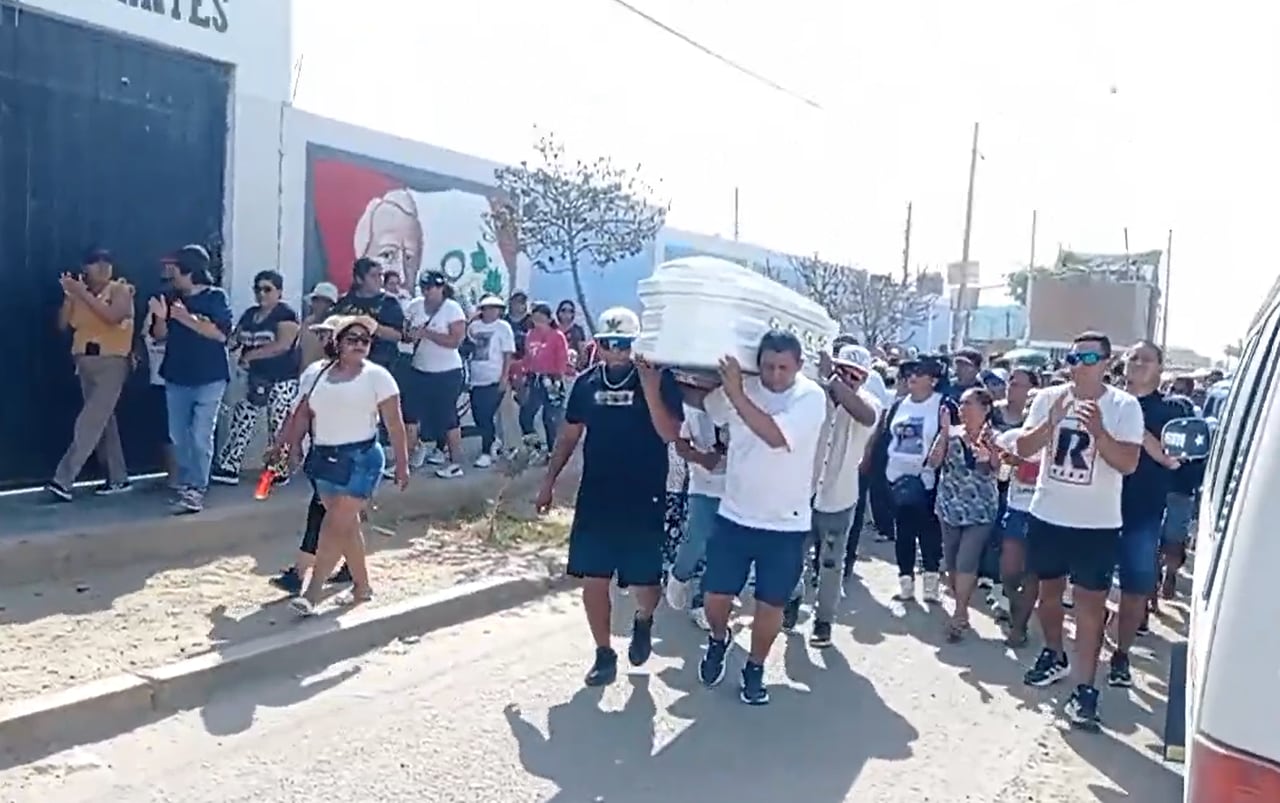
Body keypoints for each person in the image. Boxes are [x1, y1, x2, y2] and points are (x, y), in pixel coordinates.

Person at [534, 307, 682, 687]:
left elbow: (669, 433)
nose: (615, 351)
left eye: (623, 344)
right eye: (607, 343)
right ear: (597, 344)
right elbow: (568, 436)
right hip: (597, 495)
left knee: (645, 585)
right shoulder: (586, 384)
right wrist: (549, 482)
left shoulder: (660, 380)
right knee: (594, 579)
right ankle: (603, 653)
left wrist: (650, 387)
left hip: (643, 497)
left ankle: (643, 619)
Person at [1015, 331, 1143, 731]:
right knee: (1048, 597)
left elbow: (1128, 464)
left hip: (1096, 523)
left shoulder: (1124, 406)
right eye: (1074, 358)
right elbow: (1023, 449)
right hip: (1048, 514)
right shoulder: (1048, 398)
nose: (1079, 366)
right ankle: (1054, 653)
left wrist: (1100, 433)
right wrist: (1050, 423)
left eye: (1089, 358)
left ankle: (1085, 689)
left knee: (1090, 608)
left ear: (1106, 363)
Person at [692, 330, 827, 705]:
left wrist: (737, 394)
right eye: (768, 366)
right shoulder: (744, 385)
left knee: (770, 605)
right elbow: (707, 405)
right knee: (714, 599)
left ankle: (755, 667)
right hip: (735, 515)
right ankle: (718, 639)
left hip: (785, 525)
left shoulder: (810, 397)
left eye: (784, 367)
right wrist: (665, 374)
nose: (775, 375)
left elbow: (775, 436)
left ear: (799, 365)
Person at [276, 315, 410, 616]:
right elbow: (302, 414)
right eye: (353, 339)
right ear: (337, 343)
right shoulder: (317, 374)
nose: (360, 344)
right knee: (346, 527)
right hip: (324, 459)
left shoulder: (378, 377)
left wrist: (402, 464)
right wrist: (292, 446)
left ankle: (312, 593)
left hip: (362, 459)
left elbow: (394, 423)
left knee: (332, 524)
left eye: (365, 340)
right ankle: (362, 587)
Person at [792, 344, 881, 647]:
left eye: (855, 377)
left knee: (830, 563)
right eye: (843, 372)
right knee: (792, 556)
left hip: (839, 498)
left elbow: (866, 416)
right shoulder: (814, 395)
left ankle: (824, 621)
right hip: (802, 493)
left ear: (863, 380)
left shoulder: (868, 403)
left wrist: (833, 380)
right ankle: (792, 600)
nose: (847, 380)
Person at [1108, 341, 1183, 687]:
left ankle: (1121, 655)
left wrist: (1141, 435)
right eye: (1133, 357)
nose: (1138, 363)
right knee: (1088, 586)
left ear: (1160, 369)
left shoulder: (1171, 411)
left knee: (1136, 587)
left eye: (1146, 359)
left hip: (1143, 511)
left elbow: (1176, 460)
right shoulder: (1105, 401)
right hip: (1095, 507)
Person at [148, 245, 233, 514]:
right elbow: (159, 336)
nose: (169, 274)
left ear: (189, 271)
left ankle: (197, 488)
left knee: (200, 435)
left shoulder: (215, 297)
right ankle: (186, 485)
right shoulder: (169, 297)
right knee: (179, 436)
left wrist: (184, 318)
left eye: (174, 269)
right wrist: (160, 318)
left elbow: (221, 334)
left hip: (210, 377)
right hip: (176, 376)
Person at [47, 248, 136, 501]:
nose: (103, 266)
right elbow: (62, 325)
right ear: (85, 267)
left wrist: (82, 293)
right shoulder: (79, 294)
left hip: (111, 362)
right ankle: (118, 478)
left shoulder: (121, 290)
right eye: (95, 262)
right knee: (104, 423)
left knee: (90, 421)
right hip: (85, 362)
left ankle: (63, 479)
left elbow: (112, 317)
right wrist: (69, 296)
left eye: (107, 261)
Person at [212, 270, 301, 485]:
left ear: (279, 292)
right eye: (258, 289)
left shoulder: (285, 314)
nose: (262, 294)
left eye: (267, 289)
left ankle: (278, 469)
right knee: (242, 417)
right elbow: (234, 340)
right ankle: (229, 466)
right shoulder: (250, 315)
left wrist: (251, 355)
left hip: (282, 378)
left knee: (278, 423)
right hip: (255, 377)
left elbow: (282, 345)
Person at [928, 387, 1001, 641]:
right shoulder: (951, 434)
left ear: (985, 408)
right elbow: (934, 461)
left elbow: (996, 470)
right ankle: (960, 609)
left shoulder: (995, 436)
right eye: (961, 404)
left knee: (966, 560)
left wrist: (989, 450)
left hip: (980, 509)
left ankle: (959, 612)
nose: (962, 409)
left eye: (969, 403)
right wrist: (944, 431)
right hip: (949, 506)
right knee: (951, 560)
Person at [880, 356, 952, 603]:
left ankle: (931, 583)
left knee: (929, 533)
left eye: (919, 373)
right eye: (910, 372)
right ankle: (905, 583)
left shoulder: (942, 404)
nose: (912, 377)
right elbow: (887, 438)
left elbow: (949, 440)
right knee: (903, 532)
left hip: (928, 481)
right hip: (896, 478)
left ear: (933, 380)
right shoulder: (899, 405)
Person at [664, 401, 726, 631]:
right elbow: (680, 444)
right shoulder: (692, 405)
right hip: (704, 484)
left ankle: (703, 603)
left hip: (737, 487)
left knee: (723, 548)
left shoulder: (742, 403)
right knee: (697, 536)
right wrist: (700, 458)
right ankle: (680, 574)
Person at [993, 368, 1042, 646]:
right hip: (1016, 508)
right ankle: (1016, 613)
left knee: (1032, 574)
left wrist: (1022, 464)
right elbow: (999, 476)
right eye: (1031, 406)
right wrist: (1000, 460)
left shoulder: (1057, 440)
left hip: (1044, 513)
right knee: (1009, 573)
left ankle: (1019, 627)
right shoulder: (1011, 437)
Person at [403, 270, 468, 478]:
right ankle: (406, 459)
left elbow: (455, 341)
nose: (427, 292)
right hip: (419, 368)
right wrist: (410, 335)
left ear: (441, 288)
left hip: (447, 372)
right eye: (424, 287)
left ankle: (455, 462)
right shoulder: (414, 306)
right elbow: (406, 333)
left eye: (431, 288)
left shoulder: (452, 309)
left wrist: (427, 333)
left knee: (448, 417)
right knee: (411, 415)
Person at [466, 295, 516, 467]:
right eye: (487, 308)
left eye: (495, 308)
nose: (491, 311)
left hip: (494, 377)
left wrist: (504, 376)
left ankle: (486, 451)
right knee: (478, 415)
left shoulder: (503, 327)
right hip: (475, 377)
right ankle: (494, 440)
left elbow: (508, 354)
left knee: (486, 415)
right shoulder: (474, 327)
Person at [519, 302, 570, 451]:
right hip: (534, 378)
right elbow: (528, 357)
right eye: (535, 319)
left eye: (541, 318)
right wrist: (522, 373)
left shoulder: (557, 336)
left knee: (550, 418)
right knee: (526, 415)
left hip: (552, 378)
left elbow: (562, 359)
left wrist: (558, 381)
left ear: (549, 319)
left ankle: (553, 450)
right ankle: (534, 447)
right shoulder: (530, 335)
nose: (538, 322)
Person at [298, 282, 340, 368]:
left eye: (325, 302)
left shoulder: (337, 326)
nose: (318, 305)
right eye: (315, 300)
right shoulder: (306, 323)